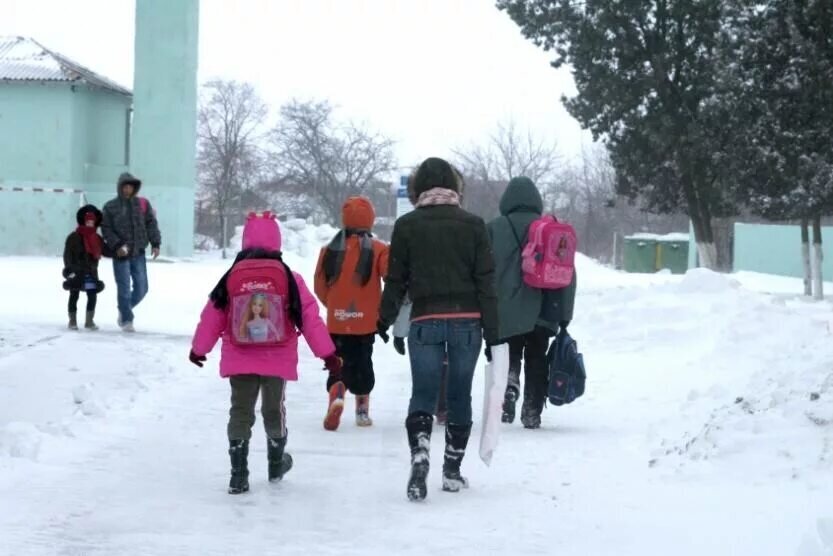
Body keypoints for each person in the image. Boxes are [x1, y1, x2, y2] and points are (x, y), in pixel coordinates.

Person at [189, 212, 342, 495]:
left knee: (240, 411)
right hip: (277, 357)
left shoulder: (232, 276)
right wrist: (328, 355)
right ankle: (275, 463)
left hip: (240, 357)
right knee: (274, 410)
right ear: (276, 240)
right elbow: (310, 318)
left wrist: (199, 349)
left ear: (245, 240)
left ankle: (238, 474)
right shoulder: (288, 276)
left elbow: (213, 314)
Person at [378, 157, 498, 502]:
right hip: (467, 321)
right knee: (460, 394)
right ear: (454, 186)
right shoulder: (475, 225)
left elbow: (396, 281)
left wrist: (383, 320)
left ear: (419, 188)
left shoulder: (407, 225)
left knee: (423, 393)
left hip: (424, 321)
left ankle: (420, 452)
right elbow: (486, 283)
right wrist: (494, 332)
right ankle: (452, 470)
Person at [487, 176, 577, 429]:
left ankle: (510, 384)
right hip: (544, 308)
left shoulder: (494, 228)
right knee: (537, 359)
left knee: (510, 352)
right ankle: (532, 412)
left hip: (505, 309)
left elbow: (481, 270)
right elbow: (569, 273)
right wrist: (565, 314)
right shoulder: (551, 229)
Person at [314, 196, 389, 431]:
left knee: (338, 364)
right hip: (365, 323)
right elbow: (391, 278)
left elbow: (319, 285)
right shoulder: (379, 249)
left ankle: (336, 396)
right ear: (371, 220)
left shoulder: (329, 250)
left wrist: (333, 305)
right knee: (363, 364)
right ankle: (362, 411)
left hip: (336, 322)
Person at [101, 172, 162, 332]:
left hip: (138, 252)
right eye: (125, 187)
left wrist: (155, 243)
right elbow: (106, 229)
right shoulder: (110, 207)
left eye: (130, 187)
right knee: (124, 288)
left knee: (142, 288)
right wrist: (118, 245)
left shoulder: (142, 204)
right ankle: (127, 320)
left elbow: (151, 224)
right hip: (121, 254)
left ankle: (124, 309)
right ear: (120, 188)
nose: (127, 189)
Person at [62, 205, 106, 331]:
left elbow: (106, 250)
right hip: (76, 272)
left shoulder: (97, 238)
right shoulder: (73, 237)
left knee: (92, 295)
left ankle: (89, 321)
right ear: (83, 221)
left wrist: (118, 251)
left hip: (91, 273)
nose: (90, 224)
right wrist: (69, 271)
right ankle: (72, 320)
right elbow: (67, 255)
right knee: (74, 294)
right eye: (88, 221)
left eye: (92, 222)